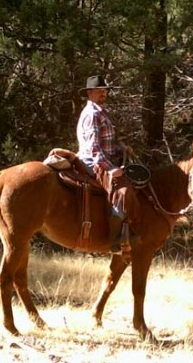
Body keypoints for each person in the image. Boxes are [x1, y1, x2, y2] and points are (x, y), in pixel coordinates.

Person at [76, 75, 139, 256]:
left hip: (104, 159)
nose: (103, 93)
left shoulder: (101, 112)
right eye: (99, 90)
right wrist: (110, 169)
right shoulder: (93, 114)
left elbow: (107, 141)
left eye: (105, 90)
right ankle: (115, 241)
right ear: (89, 92)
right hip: (92, 161)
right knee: (122, 191)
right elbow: (94, 147)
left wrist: (122, 148)